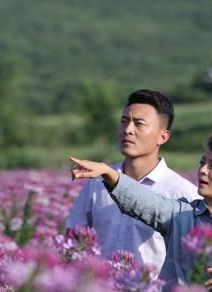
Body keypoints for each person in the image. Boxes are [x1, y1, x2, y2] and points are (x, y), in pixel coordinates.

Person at [70, 133, 212, 292]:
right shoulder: (181, 214)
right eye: (202, 163)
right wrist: (110, 174)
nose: (202, 170)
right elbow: (144, 202)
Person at [65, 89, 199, 274]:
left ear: (163, 136)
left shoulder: (182, 193)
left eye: (139, 124)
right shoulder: (96, 182)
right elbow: (74, 238)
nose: (128, 130)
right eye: (124, 121)